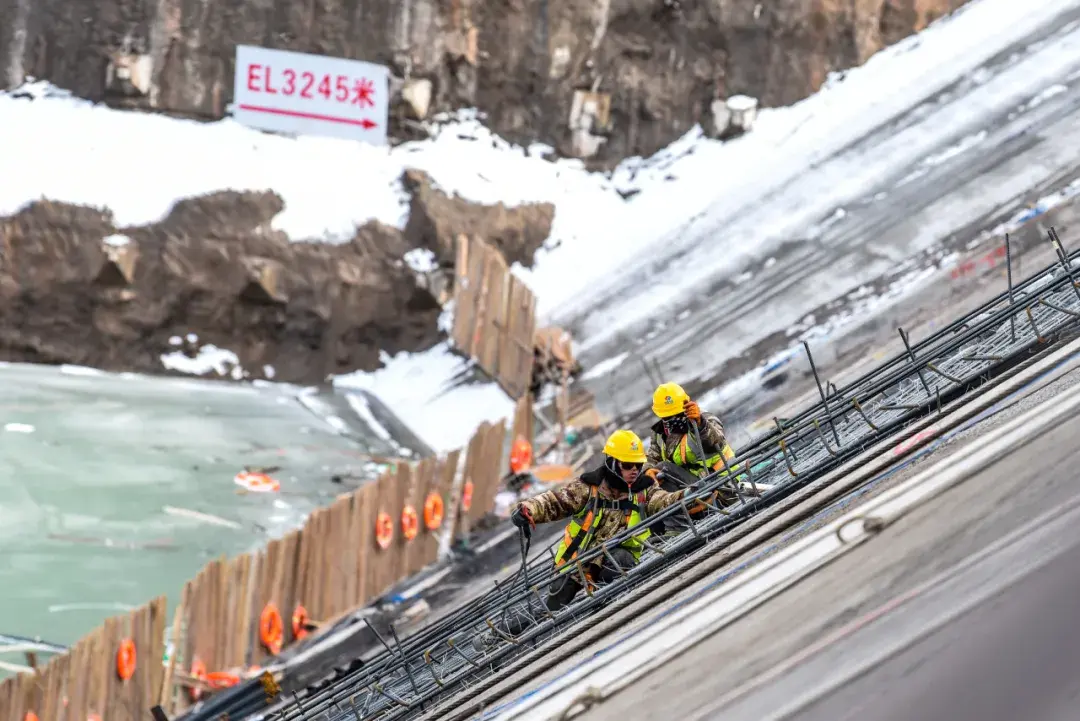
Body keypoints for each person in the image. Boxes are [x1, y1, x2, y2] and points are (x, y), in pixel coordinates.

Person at [510, 429, 690, 612]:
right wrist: (529, 509)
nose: (634, 470)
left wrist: (688, 494)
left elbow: (664, 501)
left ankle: (607, 605)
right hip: (576, 561)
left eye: (638, 464)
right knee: (553, 606)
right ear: (612, 463)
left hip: (615, 560)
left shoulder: (644, 490)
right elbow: (555, 502)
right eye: (628, 465)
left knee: (621, 560)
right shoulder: (588, 488)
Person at [643, 382, 738, 528]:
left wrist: (700, 424)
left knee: (664, 469)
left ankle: (679, 526)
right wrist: (647, 471)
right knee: (651, 479)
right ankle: (677, 522)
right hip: (694, 490)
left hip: (723, 487)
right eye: (668, 416)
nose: (673, 418)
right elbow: (652, 458)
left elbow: (716, 441)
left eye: (677, 413)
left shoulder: (705, 420)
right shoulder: (660, 433)